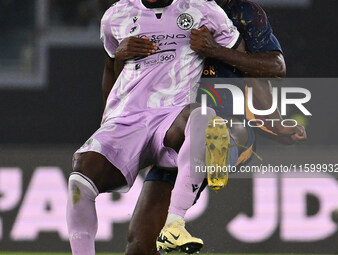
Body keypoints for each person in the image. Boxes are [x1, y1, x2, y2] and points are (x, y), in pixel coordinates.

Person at [124, 0, 307, 254]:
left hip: (229, 121)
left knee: (221, 127)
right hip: (175, 133)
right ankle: (209, 152)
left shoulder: (244, 14)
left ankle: (221, 149)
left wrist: (274, 124)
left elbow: (274, 68)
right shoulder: (167, 12)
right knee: (141, 244)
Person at [66, 0, 244, 254]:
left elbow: (242, 59)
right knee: (80, 178)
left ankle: (174, 225)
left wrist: (213, 49)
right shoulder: (116, 16)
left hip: (171, 116)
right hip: (127, 121)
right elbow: (110, 69)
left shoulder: (203, 10)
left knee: (203, 118)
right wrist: (109, 123)